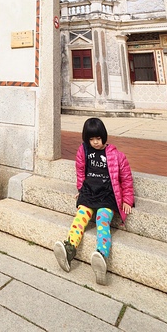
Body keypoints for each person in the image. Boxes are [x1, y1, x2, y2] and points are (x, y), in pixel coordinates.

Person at [54, 117, 134, 285]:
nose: (95, 142)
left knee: (102, 219)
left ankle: (101, 256)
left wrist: (127, 199)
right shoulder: (83, 151)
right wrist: (81, 190)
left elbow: (126, 179)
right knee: (80, 217)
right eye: (91, 139)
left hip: (107, 195)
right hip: (89, 192)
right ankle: (69, 249)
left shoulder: (116, 155)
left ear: (104, 136)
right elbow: (80, 172)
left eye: (98, 138)